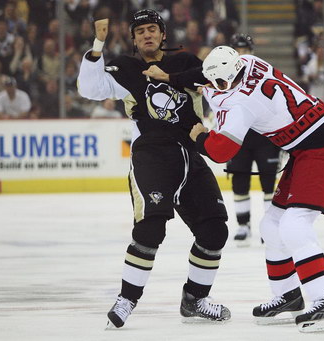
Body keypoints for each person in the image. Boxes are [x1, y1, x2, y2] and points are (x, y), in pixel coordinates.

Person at [147, 46, 324, 333]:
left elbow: (221, 151)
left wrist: (200, 136)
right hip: (308, 147)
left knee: (294, 225)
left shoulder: (240, 105)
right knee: (271, 225)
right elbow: (204, 75)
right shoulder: (247, 61)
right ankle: (288, 294)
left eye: (217, 83)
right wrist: (169, 76)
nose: (211, 86)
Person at [77, 9, 231, 328]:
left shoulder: (186, 63)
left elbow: (218, 86)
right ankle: (127, 299)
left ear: (163, 35)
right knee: (151, 228)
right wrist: (97, 45)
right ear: (133, 39)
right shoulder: (128, 69)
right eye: (140, 31)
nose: (147, 34)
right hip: (152, 154)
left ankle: (195, 299)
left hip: (191, 153)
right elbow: (89, 90)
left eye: (152, 29)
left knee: (215, 229)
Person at [224, 33, 282, 246]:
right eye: (238, 50)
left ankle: (270, 227)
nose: (242, 55)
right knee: (240, 181)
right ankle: (243, 225)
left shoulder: (264, 73)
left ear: (252, 52)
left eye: (245, 50)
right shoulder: (222, 76)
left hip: (265, 137)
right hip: (238, 138)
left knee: (269, 183)